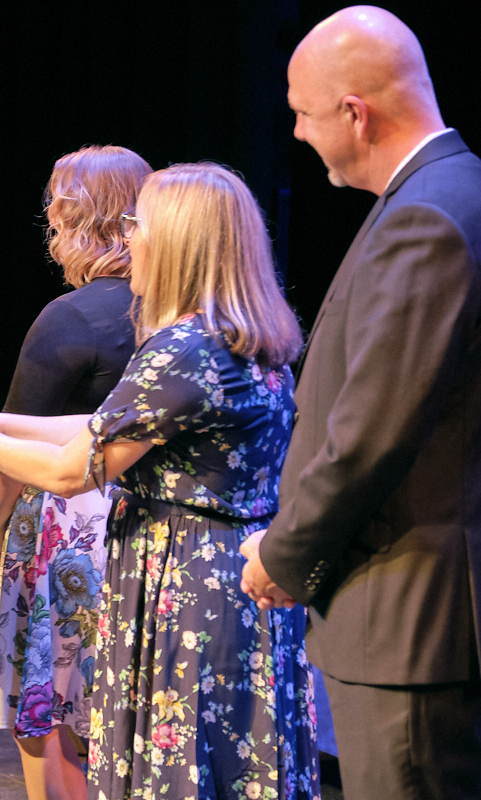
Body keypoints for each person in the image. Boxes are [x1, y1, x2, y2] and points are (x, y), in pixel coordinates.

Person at [0, 163, 321, 800]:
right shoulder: (244, 340)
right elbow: (99, 425)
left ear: (178, 242)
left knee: (177, 772)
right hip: (238, 585)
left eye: (138, 225)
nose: (130, 239)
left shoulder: (181, 350)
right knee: (236, 763)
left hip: (183, 587)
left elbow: (75, 469)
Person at [240, 6, 481, 798]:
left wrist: (284, 554)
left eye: (304, 115)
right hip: (409, 612)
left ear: (356, 112)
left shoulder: (429, 216)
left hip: (411, 619)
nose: (300, 136)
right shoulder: (445, 192)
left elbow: (374, 430)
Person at [0, 145, 148, 800]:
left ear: (72, 219)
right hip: (149, 530)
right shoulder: (180, 313)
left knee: (50, 722)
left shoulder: (72, 318)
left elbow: (7, 439)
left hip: (68, 532)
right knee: (122, 717)